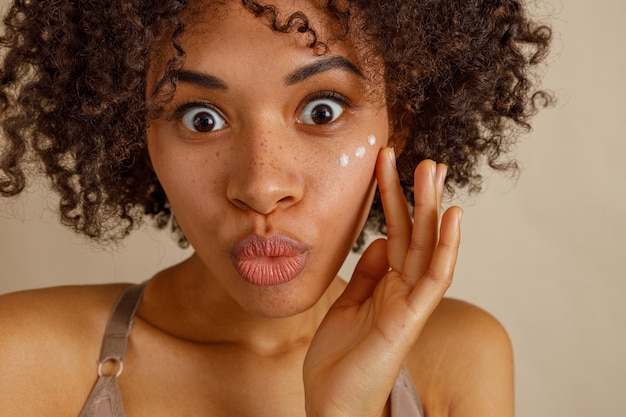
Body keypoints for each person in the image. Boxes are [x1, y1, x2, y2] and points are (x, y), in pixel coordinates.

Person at [0, 0, 551, 416]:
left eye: (321, 109)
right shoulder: (20, 358)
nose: (261, 187)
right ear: (133, 130)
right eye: (200, 118)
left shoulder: (457, 359)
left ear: (399, 124)